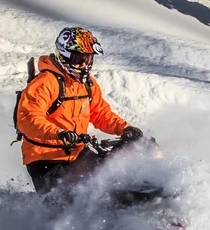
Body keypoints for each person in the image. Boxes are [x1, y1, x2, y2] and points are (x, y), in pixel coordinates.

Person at [16, 26, 143, 193]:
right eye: (78, 59)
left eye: (88, 59)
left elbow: (100, 113)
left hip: (77, 152)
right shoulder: (45, 83)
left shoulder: (87, 84)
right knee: (82, 195)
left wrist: (124, 128)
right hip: (47, 158)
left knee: (114, 170)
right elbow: (28, 118)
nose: (84, 64)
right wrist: (59, 133)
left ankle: (147, 202)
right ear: (64, 55)